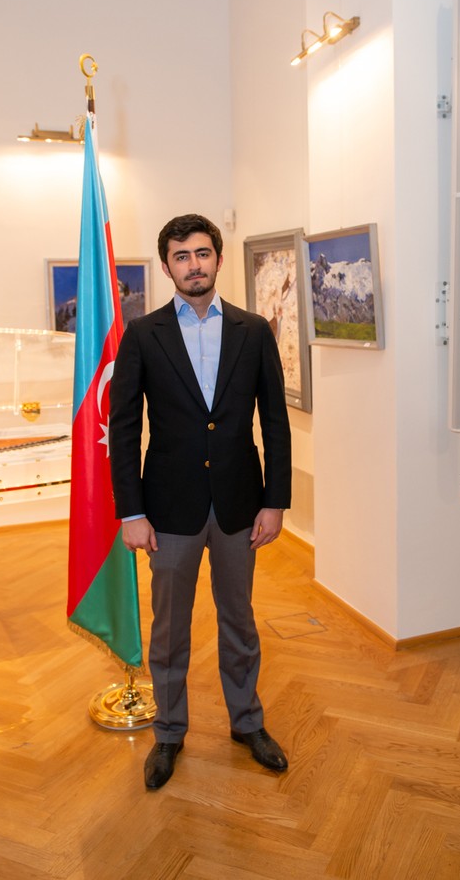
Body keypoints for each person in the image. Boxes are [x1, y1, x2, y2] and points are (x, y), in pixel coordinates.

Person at [109, 213, 292, 790]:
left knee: (240, 620)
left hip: (240, 505)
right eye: (182, 256)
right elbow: (124, 428)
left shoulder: (253, 331)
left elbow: (276, 423)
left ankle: (247, 723)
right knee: (169, 629)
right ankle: (168, 732)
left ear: (218, 258)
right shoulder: (144, 335)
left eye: (203, 253)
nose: (194, 265)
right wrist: (131, 512)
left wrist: (275, 502)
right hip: (169, 509)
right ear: (167, 267)